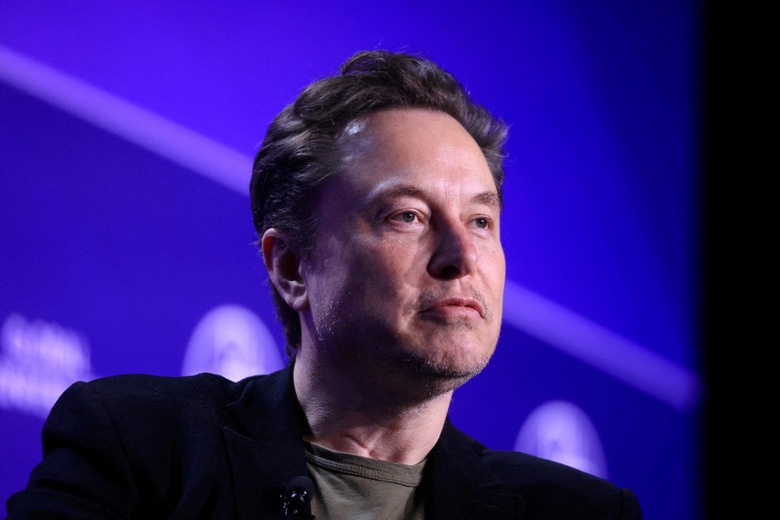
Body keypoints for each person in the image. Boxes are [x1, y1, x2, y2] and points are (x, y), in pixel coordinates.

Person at [6, 50, 642, 519]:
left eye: (481, 221)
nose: (462, 256)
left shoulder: (580, 512)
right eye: (407, 216)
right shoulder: (138, 447)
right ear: (291, 267)